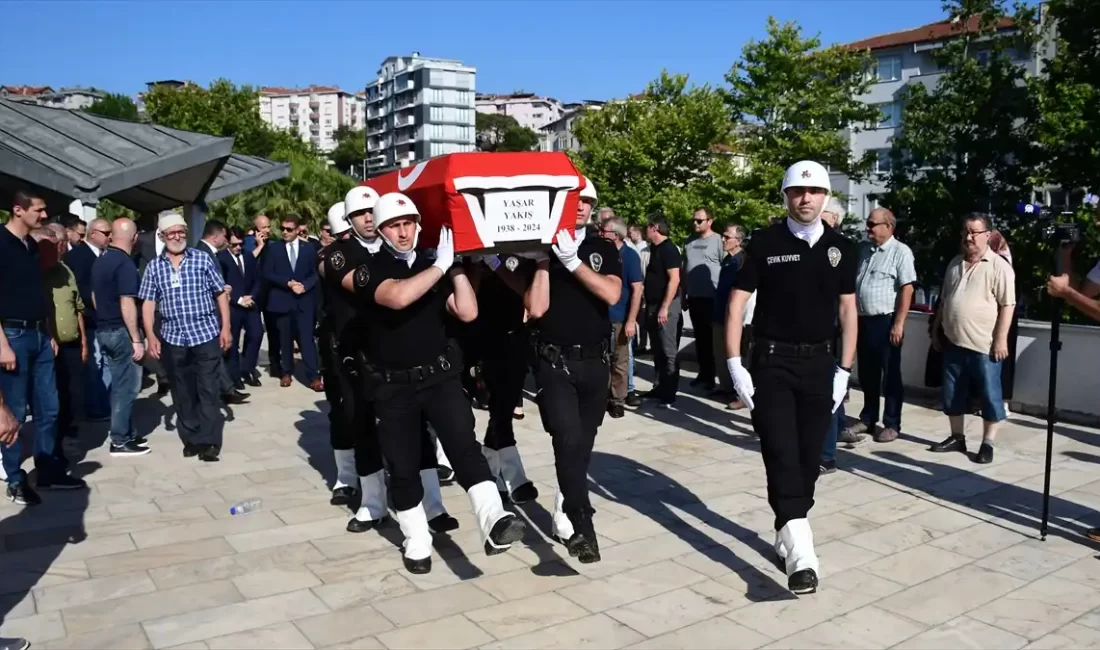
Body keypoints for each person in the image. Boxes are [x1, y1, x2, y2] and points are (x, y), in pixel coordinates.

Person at [341, 192, 522, 573]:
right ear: (382, 229)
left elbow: (468, 312)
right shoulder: (368, 268)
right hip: (393, 387)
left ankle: (494, 520)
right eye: (394, 225)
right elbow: (398, 296)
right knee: (404, 466)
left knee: (464, 448)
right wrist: (440, 266)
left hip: (439, 377)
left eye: (409, 223)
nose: (403, 232)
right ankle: (416, 537)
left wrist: (454, 267)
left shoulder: (433, 264)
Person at [724, 161, 858, 595]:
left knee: (808, 460)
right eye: (798, 192)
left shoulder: (842, 247)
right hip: (773, 363)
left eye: (815, 191)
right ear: (786, 196)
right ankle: (802, 553)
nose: (806, 198)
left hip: (820, 365)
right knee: (780, 451)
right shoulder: (765, 243)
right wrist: (734, 365)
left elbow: (847, 311)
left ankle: (788, 524)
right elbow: (736, 304)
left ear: (824, 197)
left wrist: (845, 371)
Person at [525, 177, 622, 563]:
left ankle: (565, 506)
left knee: (581, 445)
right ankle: (583, 525)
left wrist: (574, 262)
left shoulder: (602, 247)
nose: (580, 207)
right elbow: (536, 307)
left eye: (587, 201)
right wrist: (548, 259)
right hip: (555, 361)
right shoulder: (544, 250)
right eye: (573, 201)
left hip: (595, 362)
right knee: (565, 439)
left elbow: (612, 293)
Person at [0, 190, 88, 504]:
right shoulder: (2, 243)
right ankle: (14, 478)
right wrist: (3, 346)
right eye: (38, 210)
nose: (43, 215)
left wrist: (49, 331)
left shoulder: (33, 248)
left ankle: (49, 470)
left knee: (49, 408)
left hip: (39, 335)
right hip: (13, 336)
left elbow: (41, 295)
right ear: (18, 210)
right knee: (13, 411)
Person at [140, 213, 233, 462]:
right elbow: (148, 303)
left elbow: (220, 293)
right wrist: (150, 335)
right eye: (172, 233)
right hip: (173, 338)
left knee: (208, 389)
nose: (177, 237)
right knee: (182, 390)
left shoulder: (202, 259)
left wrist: (226, 328)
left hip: (205, 335)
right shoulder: (154, 267)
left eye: (181, 232)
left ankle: (209, 441)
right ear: (162, 236)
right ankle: (191, 438)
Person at [929, 214, 1015, 464]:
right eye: (966, 232)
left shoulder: (999, 266)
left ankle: (987, 443)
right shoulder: (955, 263)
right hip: (953, 342)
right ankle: (957, 437)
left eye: (975, 233)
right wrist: (936, 330)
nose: (969, 237)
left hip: (984, 346)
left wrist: (1001, 340)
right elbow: (944, 301)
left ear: (988, 235)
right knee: (952, 393)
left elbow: (1007, 306)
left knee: (989, 395)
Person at [469, 251, 539, 503]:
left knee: (504, 407)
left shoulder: (521, 255)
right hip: (485, 340)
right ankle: (514, 477)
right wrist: (479, 264)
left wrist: (496, 263)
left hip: (515, 337)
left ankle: (494, 474)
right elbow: (471, 297)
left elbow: (523, 288)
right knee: (499, 408)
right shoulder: (475, 258)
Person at [851, 208, 916, 444]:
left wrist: (899, 324)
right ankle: (868, 418)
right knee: (867, 373)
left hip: (886, 320)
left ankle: (891, 423)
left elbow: (907, 288)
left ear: (888, 226)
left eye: (872, 224)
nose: (868, 228)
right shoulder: (865, 251)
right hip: (864, 320)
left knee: (890, 375)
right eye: (867, 224)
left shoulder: (901, 252)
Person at [91, 218, 149, 457]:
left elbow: (94, 296)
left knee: (118, 384)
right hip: (120, 331)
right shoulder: (125, 264)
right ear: (134, 238)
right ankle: (120, 439)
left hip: (103, 329)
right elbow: (127, 302)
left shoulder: (101, 260)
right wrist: (136, 338)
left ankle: (124, 430)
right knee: (127, 387)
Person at [263, 215, 322, 391]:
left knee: (306, 340)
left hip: (304, 302)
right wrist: (287, 283)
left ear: (298, 230)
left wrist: (304, 286)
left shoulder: (309, 248)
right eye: (282, 228)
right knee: (285, 340)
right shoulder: (274, 249)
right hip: (282, 301)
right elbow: (267, 273)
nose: (285, 232)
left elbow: (316, 273)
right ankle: (286, 372)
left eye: (289, 229)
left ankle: (314, 377)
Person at [599, 216, 642, 419]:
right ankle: (602, 397)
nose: (601, 234)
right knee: (601, 360)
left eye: (604, 231)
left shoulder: (630, 256)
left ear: (615, 235)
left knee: (619, 362)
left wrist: (631, 320)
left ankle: (617, 401)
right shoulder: (600, 253)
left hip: (620, 317)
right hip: (600, 316)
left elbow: (637, 289)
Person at [642, 215, 682, 407]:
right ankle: (658, 387)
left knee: (668, 351)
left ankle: (670, 394)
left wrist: (665, 307)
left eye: (647, 226)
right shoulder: (654, 249)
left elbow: (674, 279)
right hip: (652, 304)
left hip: (666, 306)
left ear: (655, 228)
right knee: (657, 350)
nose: (645, 230)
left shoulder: (669, 249)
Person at [218, 227, 263, 391]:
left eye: (241, 244)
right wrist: (238, 300)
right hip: (232, 306)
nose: (238, 248)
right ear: (227, 243)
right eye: (234, 245)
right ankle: (235, 376)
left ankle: (248, 368)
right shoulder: (221, 259)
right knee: (233, 341)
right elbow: (220, 285)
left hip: (250, 304)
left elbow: (258, 279)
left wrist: (251, 296)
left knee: (256, 334)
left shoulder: (248, 256)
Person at [683, 208, 723, 390]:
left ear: (710, 221)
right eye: (694, 220)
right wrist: (684, 294)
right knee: (700, 338)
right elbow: (685, 270)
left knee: (711, 340)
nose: (695, 223)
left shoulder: (719, 241)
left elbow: (726, 266)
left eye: (699, 220)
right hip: (694, 297)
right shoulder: (689, 242)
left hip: (712, 298)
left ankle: (713, 377)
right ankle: (703, 374)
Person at [712, 223, 745, 400]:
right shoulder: (727, 259)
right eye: (723, 236)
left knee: (735, 353)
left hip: (733, 315)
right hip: (719, 312)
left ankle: (740, 393)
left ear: (738, 241)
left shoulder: (742, 261)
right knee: (720, 352)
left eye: (727, 237)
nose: (723, 240)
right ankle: (725, 387)